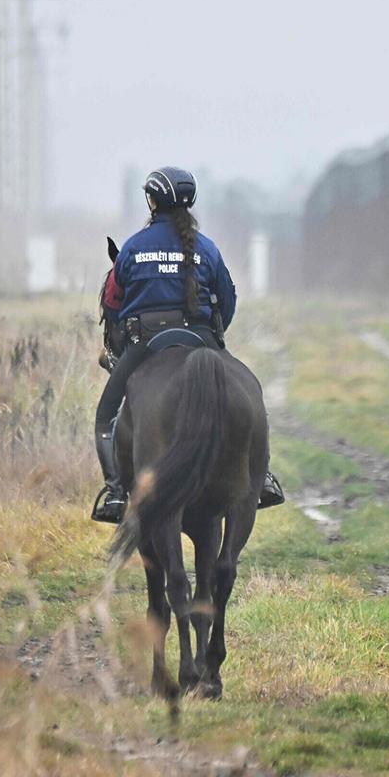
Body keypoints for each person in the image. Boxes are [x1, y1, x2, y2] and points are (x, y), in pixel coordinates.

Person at [92, 166, 285, 524]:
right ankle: (263, 479)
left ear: (151, 200)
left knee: (106, 415)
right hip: (201, 339)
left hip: (146, 344)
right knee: (251, 394)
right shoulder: (208, 249)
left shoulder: (132, 248)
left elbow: (113, 304)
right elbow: (227, 301)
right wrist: (213, 338)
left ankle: (116, 492)